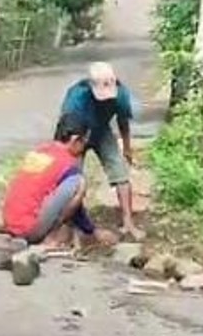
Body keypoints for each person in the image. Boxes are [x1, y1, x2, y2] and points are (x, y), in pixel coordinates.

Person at [1, 112, 117, 249]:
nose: (84, 147)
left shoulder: (41, 150)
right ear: (75, 140)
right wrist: (92, 231)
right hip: (29, 230)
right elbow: (76, 207)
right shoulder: (68, 163)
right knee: (79, 183)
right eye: (84, 141)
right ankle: (51, 235)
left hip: (10, 222)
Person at [60, 61, 143, 240]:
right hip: (76, 133)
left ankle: (128, 222)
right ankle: (70, 224)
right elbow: (66, 129)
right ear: (90, 86)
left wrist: (127, 147)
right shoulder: (76, 96)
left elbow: (122, 121)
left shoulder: (121, 94)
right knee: (71, 178)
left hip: (102, 130)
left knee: (120, 171)